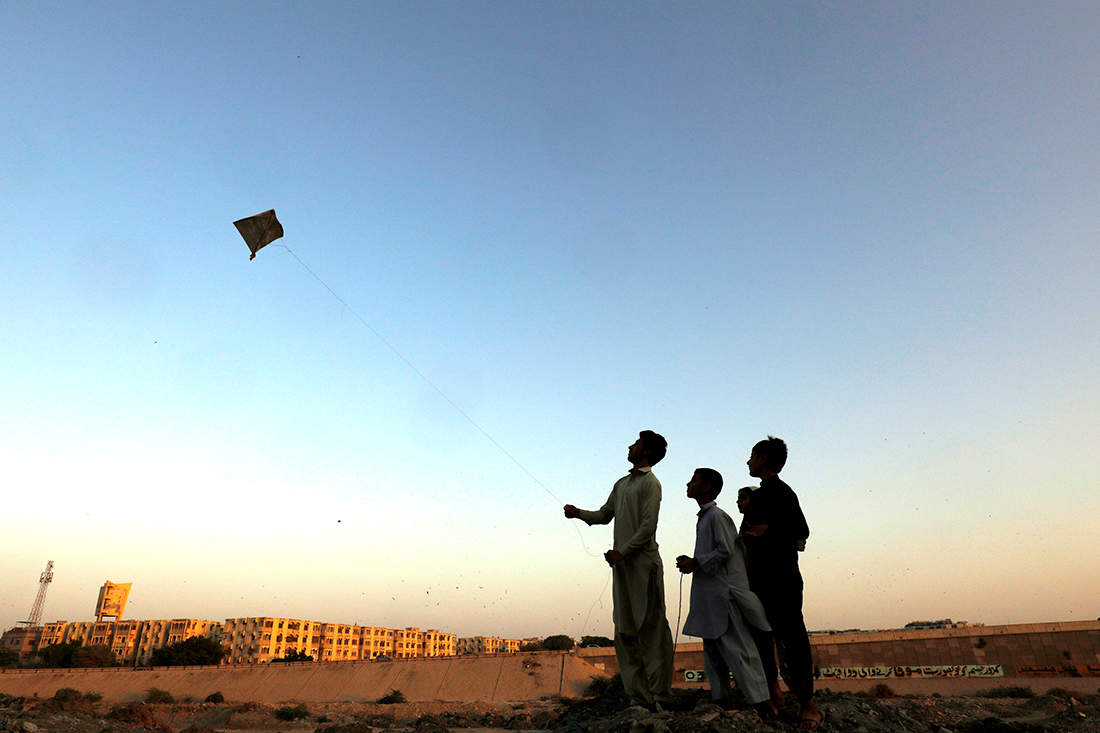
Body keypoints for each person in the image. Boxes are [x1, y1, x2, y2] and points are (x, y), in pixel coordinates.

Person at [564, 431, 674, 710]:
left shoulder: (652, 484)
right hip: (622, 566)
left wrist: (622, 552)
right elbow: (604, 515)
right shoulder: (622, 484)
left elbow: (648, 527)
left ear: (646, 452)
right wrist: (578, 513)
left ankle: (660, 695)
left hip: (643, 565)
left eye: (636, 443)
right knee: (625, 631)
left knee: (650, 629)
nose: (630, 446)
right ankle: (638, 698)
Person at [675, 468, 775, 718]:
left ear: (707, 487)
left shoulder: (716, 516)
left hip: (723, 596)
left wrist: (695, 563)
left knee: (738, 648)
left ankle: (762, 703)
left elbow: (726, 550)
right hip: (710, 597)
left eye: (694, 480)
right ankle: (721, 698)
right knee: (713, 650)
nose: (688, 484)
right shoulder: (706, 517)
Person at [741, 436, 821, 728]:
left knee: (792, 638)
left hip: (783, 579)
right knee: (761, 637)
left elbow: (802, 530)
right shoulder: (758, 496)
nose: (748, 461)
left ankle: (808, 704)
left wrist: (768, 530)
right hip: (757, 580)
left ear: (763, 458)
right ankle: (774, 693)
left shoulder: (781, 492)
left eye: (752, 455)